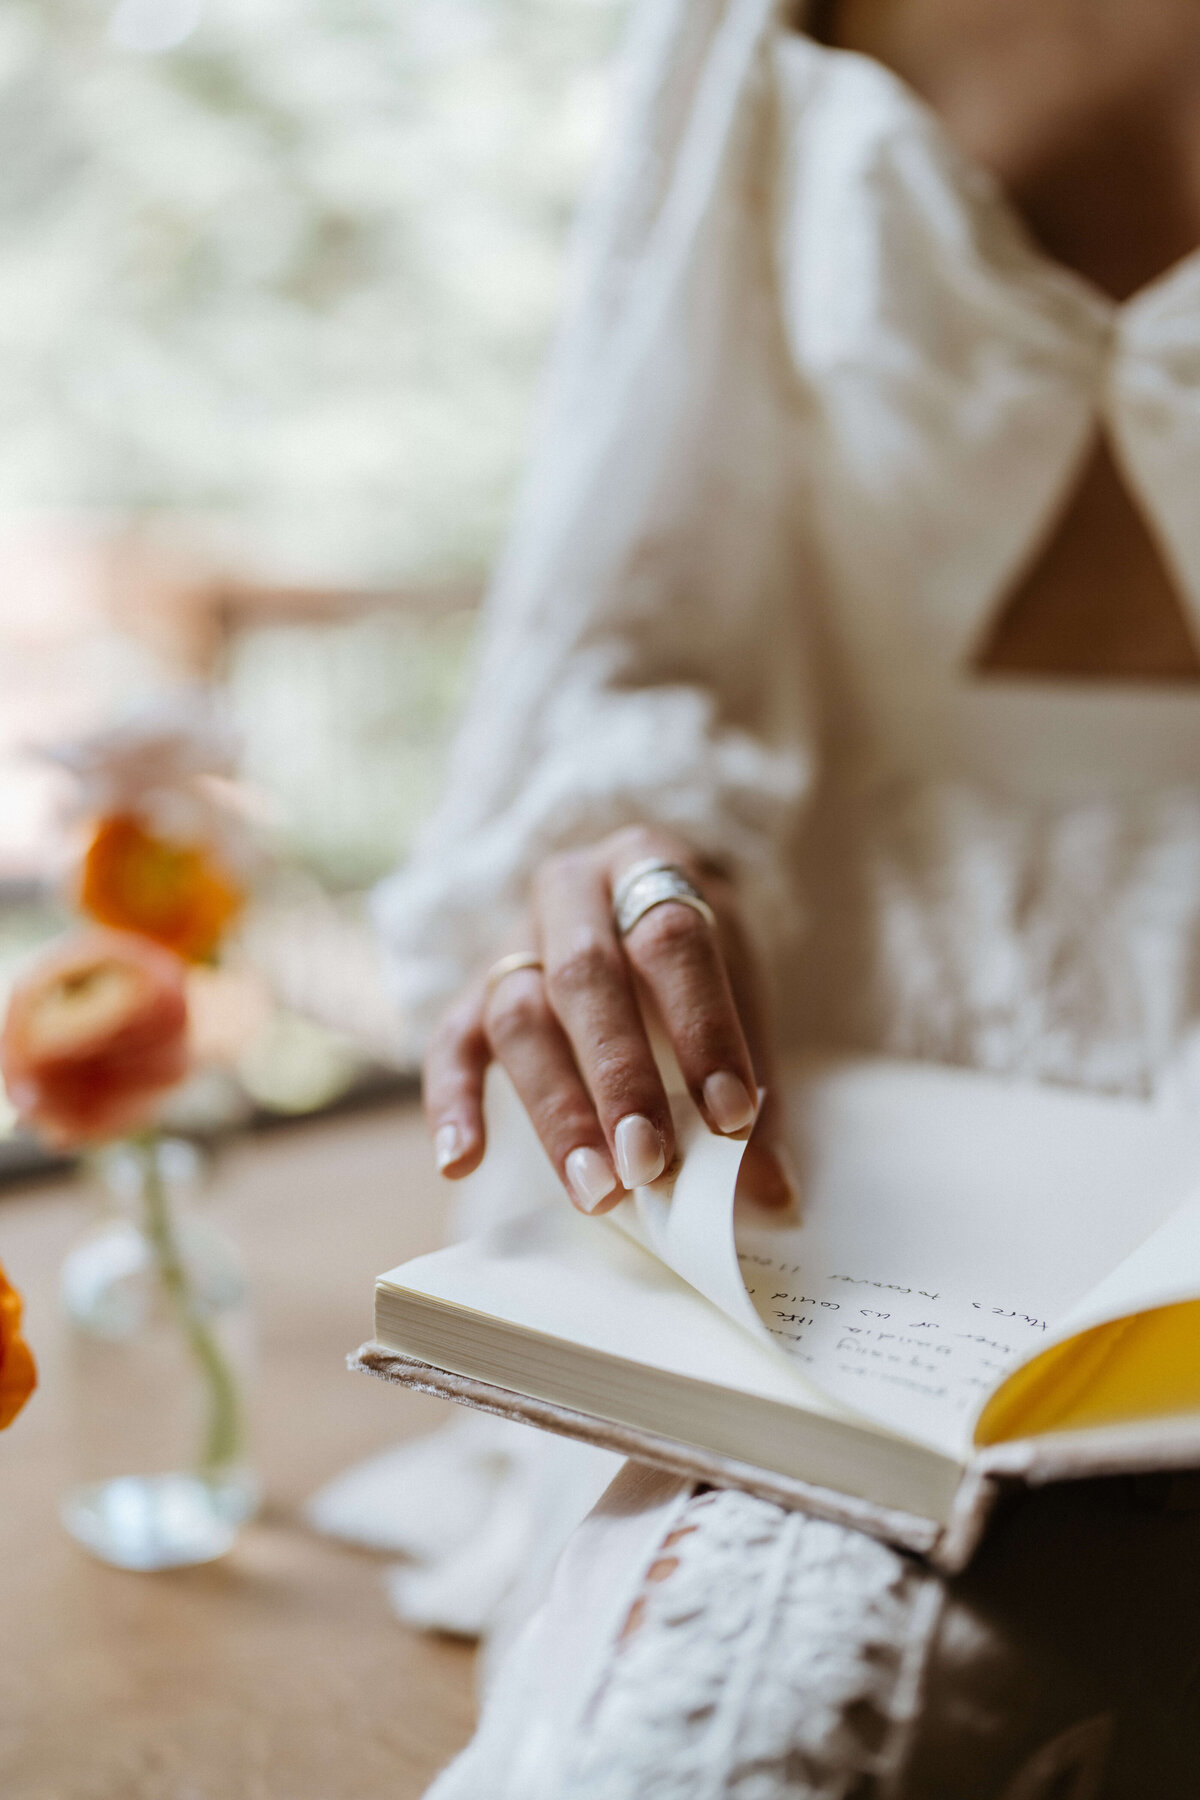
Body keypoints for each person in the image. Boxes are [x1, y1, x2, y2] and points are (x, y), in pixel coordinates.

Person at [372, 0, 1200, 1791]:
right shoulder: (742, 32)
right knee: (741, 1719)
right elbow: (637, 598)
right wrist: (643, 846)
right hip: (843, 1020)